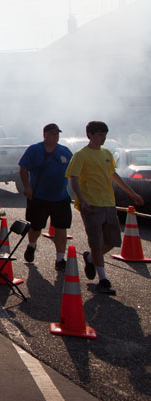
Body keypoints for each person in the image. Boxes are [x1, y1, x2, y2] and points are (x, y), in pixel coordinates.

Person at [66, 120, 145, 295]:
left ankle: (90, 258)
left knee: (112, 241)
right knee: (96, 241)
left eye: (105, 134)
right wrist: (82, 200)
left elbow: (114, 175)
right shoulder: (81, 155)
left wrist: (132, 193)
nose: (103, 138)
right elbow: (74, 178)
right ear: (90, 135)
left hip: (108, 202)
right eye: (100, 134)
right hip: (91, 204)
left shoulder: (106, 153)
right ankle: (103, 279)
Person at [18, 123, 73, 271]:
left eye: (57, 134)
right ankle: (32, 245)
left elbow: (74, 171)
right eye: (52, 134)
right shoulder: (34, 150)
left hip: (60, 197)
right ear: (45, 135)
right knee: (35, 227)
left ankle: (60, 258)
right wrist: (26, 186)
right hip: (39, 197)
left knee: (61, 228)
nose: (55, 136)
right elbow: (23, 168)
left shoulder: (65, 151)